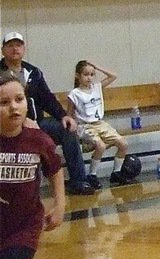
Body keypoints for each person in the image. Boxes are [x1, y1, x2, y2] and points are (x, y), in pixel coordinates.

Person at [0, 70, 65, 259]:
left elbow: (54, 169)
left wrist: (60, 203)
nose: (13, 107)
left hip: (24, 227)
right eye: (4, 102)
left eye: (19, 99)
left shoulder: (37, 139)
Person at [1, 31, 93, 195]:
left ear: (23, 49)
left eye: (18, 45)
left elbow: (47, 98)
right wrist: (23, 122)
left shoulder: (33, 72)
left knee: (67, 130)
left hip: (39, 123)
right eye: (10, 45)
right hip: (9, 127)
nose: (15, 49)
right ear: (3, 50)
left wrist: (64, 115)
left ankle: (79, 181)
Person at [67, 61, 137, 186]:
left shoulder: (96, 87)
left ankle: (116, 173)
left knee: (123, 143)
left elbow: (113, 76)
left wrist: (97, 66)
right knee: (101, 146)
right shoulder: (74, 94)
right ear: (78, 76)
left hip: (100, 123)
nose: (89, 77)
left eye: (92, 74)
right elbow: (69, 114)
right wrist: (72, 130)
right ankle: (92, 175)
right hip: (85, 125)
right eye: (86, 74)